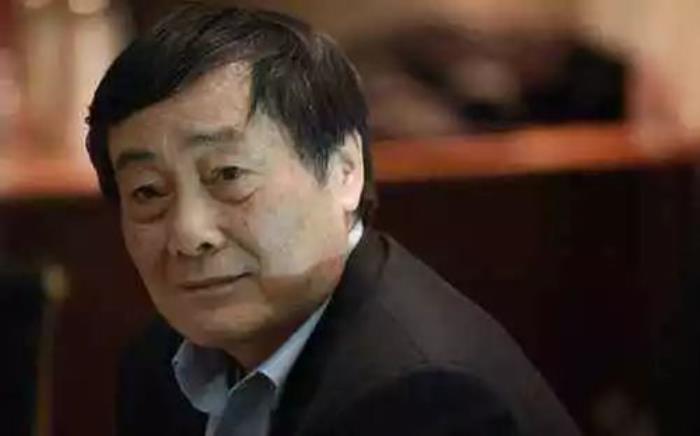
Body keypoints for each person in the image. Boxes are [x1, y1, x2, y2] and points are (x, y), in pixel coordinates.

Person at [86, 4, 580, 436]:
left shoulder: (424, 399)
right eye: (147, 191)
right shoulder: (161, 363)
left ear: (345, 170)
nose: (189, 233)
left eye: (229, 174)